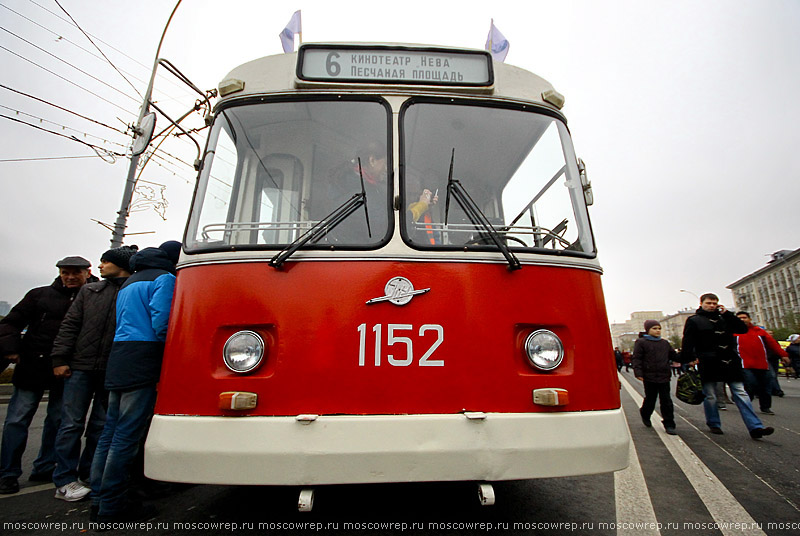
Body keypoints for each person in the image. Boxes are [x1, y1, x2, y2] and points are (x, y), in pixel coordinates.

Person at [90, 244, 177, 522]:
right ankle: (112, 507)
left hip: (120, 354)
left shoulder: (128, 283)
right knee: (127, 435)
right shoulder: (164, 279)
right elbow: (162, 322)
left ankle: (98, 498)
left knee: (110, 432)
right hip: (144, 355)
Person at [49, 246, 137, 502]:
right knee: (71, 424)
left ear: (119, 264)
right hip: (80, 367)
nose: (99, 266)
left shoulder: (131, 291)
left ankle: (89, 473)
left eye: (105, 261)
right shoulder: (90, 291)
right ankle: (65, 480)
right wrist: (60, 359)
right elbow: (70, 326)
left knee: (100, 426)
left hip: (111, 369)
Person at [0, 256, 94, 494]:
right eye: (65, 272)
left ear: (87, 272)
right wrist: (11, 349)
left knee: (57, 421)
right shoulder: (39, 295)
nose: (70, 277)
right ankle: (8, 474)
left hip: (66, 370)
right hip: (32, 366)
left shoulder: (94, 296)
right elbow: (11, 323)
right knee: (16, 421)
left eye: (75, 273)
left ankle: (44, 465)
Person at [681, 293, 774, 439]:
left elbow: (742, 329)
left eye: (714, 303)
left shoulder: (725, 318)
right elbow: (688, 340)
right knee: (710, 395)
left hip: (729, 361)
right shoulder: (694, 320)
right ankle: (714, 423)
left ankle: (755, 427)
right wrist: (689, 358)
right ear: (702, 304)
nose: (712, 306)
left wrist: (728, 314)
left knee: (740, 393)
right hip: (708, 361)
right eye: (709, 303)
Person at [734, 311, 788, 416]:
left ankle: (766, 407)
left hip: (762, 364)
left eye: (744, 317)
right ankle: (746, 406)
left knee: (766, 387)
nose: (742, 320)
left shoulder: (759, 331)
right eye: (739, 318)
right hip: (745, 364)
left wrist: (783, 355)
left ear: (749, 319)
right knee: (750, 385)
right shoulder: (733, 333)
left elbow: (773, 344)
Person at [633, 320, 680, 435]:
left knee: (666, 401)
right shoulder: (641, 342)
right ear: (648, 330)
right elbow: (637, 358)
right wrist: (638, 372)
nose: (657, 331)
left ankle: (669, 424)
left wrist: (689, 358)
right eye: (654, 328)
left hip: (664, 375)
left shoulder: (665, 343)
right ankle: (645, 413)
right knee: (651, 398)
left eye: (659, 328)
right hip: (649, 376)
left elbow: (674, 356)